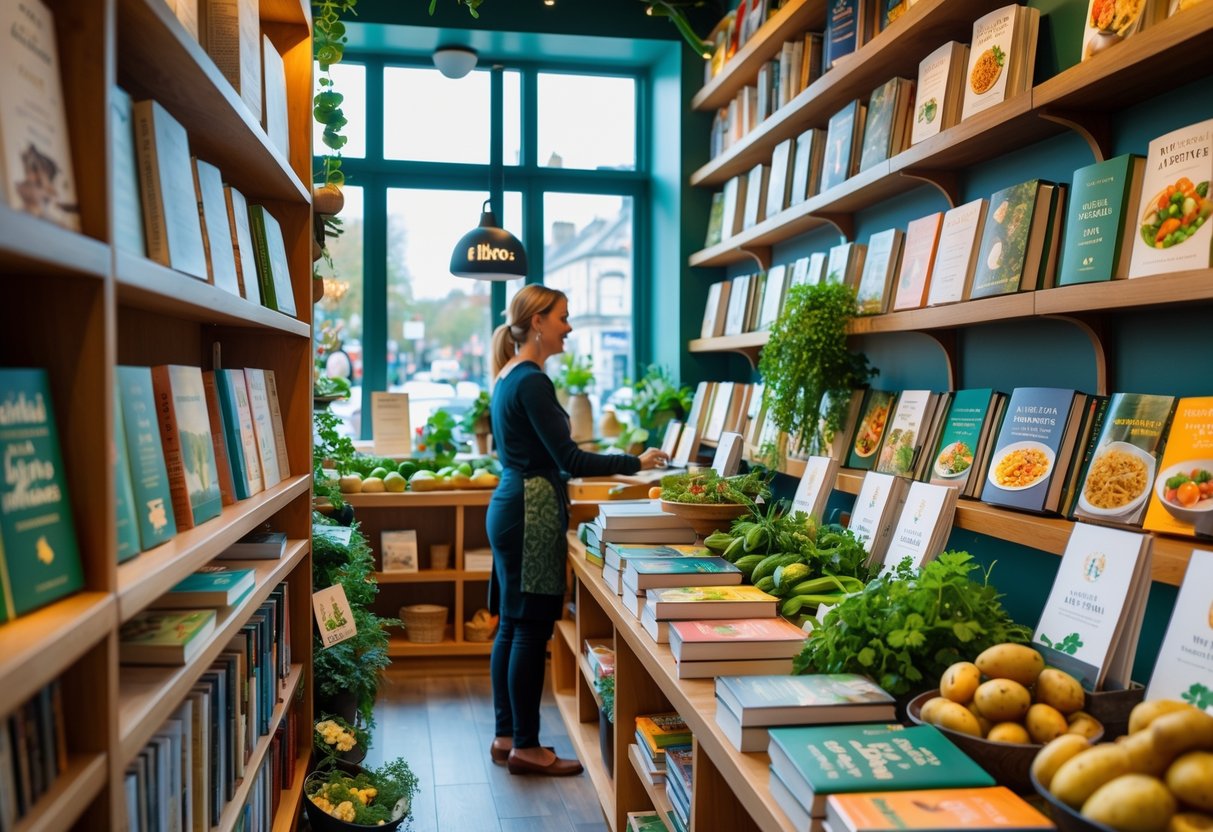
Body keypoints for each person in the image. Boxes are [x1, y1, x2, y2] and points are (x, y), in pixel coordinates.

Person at [486, 284, 668, 776]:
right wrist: (637, 458)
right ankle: (526, 745)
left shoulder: (507, 376)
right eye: (564, 317)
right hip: (534, 511)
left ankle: (506, 736)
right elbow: (569, 458)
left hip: (511, 504)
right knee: (529, 628)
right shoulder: (532, 381)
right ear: (539, 322)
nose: (569, 327)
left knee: (512, 623)